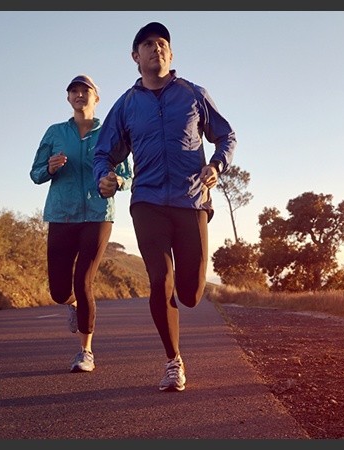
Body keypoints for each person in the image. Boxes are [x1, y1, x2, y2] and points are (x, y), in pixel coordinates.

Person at [93, 22, 236, 392]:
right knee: (160, 279)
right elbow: (104, 152)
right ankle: (173, 361)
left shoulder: (193, 94)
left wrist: (216, 164)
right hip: (148, 202)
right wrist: (103, 176)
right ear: (135, 57)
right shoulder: (126, 104)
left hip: (191, 201)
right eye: (147, 44)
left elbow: (226, 135)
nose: (155, 49)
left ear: (170, 54)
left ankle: (180, 300)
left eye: (162, 44)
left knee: (189, 294)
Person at [30, 74, 132, 373]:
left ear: (96, 97)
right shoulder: (55, 133)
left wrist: (117, 182)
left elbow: (127, 173)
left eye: (84, 90)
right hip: (61, 213)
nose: (79, 95)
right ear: (68, 98)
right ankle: (72, 305)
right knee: (59, 291)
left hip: (98, 215)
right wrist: (48, 168)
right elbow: (35, 173)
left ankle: (85, 352)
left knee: (83, 279)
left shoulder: (110, 132)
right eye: (73, 91)